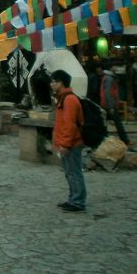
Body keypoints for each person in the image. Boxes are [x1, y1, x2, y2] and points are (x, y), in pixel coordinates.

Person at [51, 69, 86, 213]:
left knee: (74, 172)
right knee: (69, 172)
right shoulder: (62, 98)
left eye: (54, 81)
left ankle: (78, 201)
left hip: (72, 144)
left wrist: (64, 144)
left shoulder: (70, 100)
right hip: (66, 143)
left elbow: (69, 124)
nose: (51, 84)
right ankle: (73, 198)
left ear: (61, 83)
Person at [99, 65, 130, 145]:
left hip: (107, 103)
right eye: (115, 66)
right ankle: (125, 140)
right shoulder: (109, 78)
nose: (117, 68)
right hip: (109, 104)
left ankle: (103, 139)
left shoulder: (109, 77)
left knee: (105, 123)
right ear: (111, 68)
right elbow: (108, 93)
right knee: (118, 123)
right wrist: (111, 106)